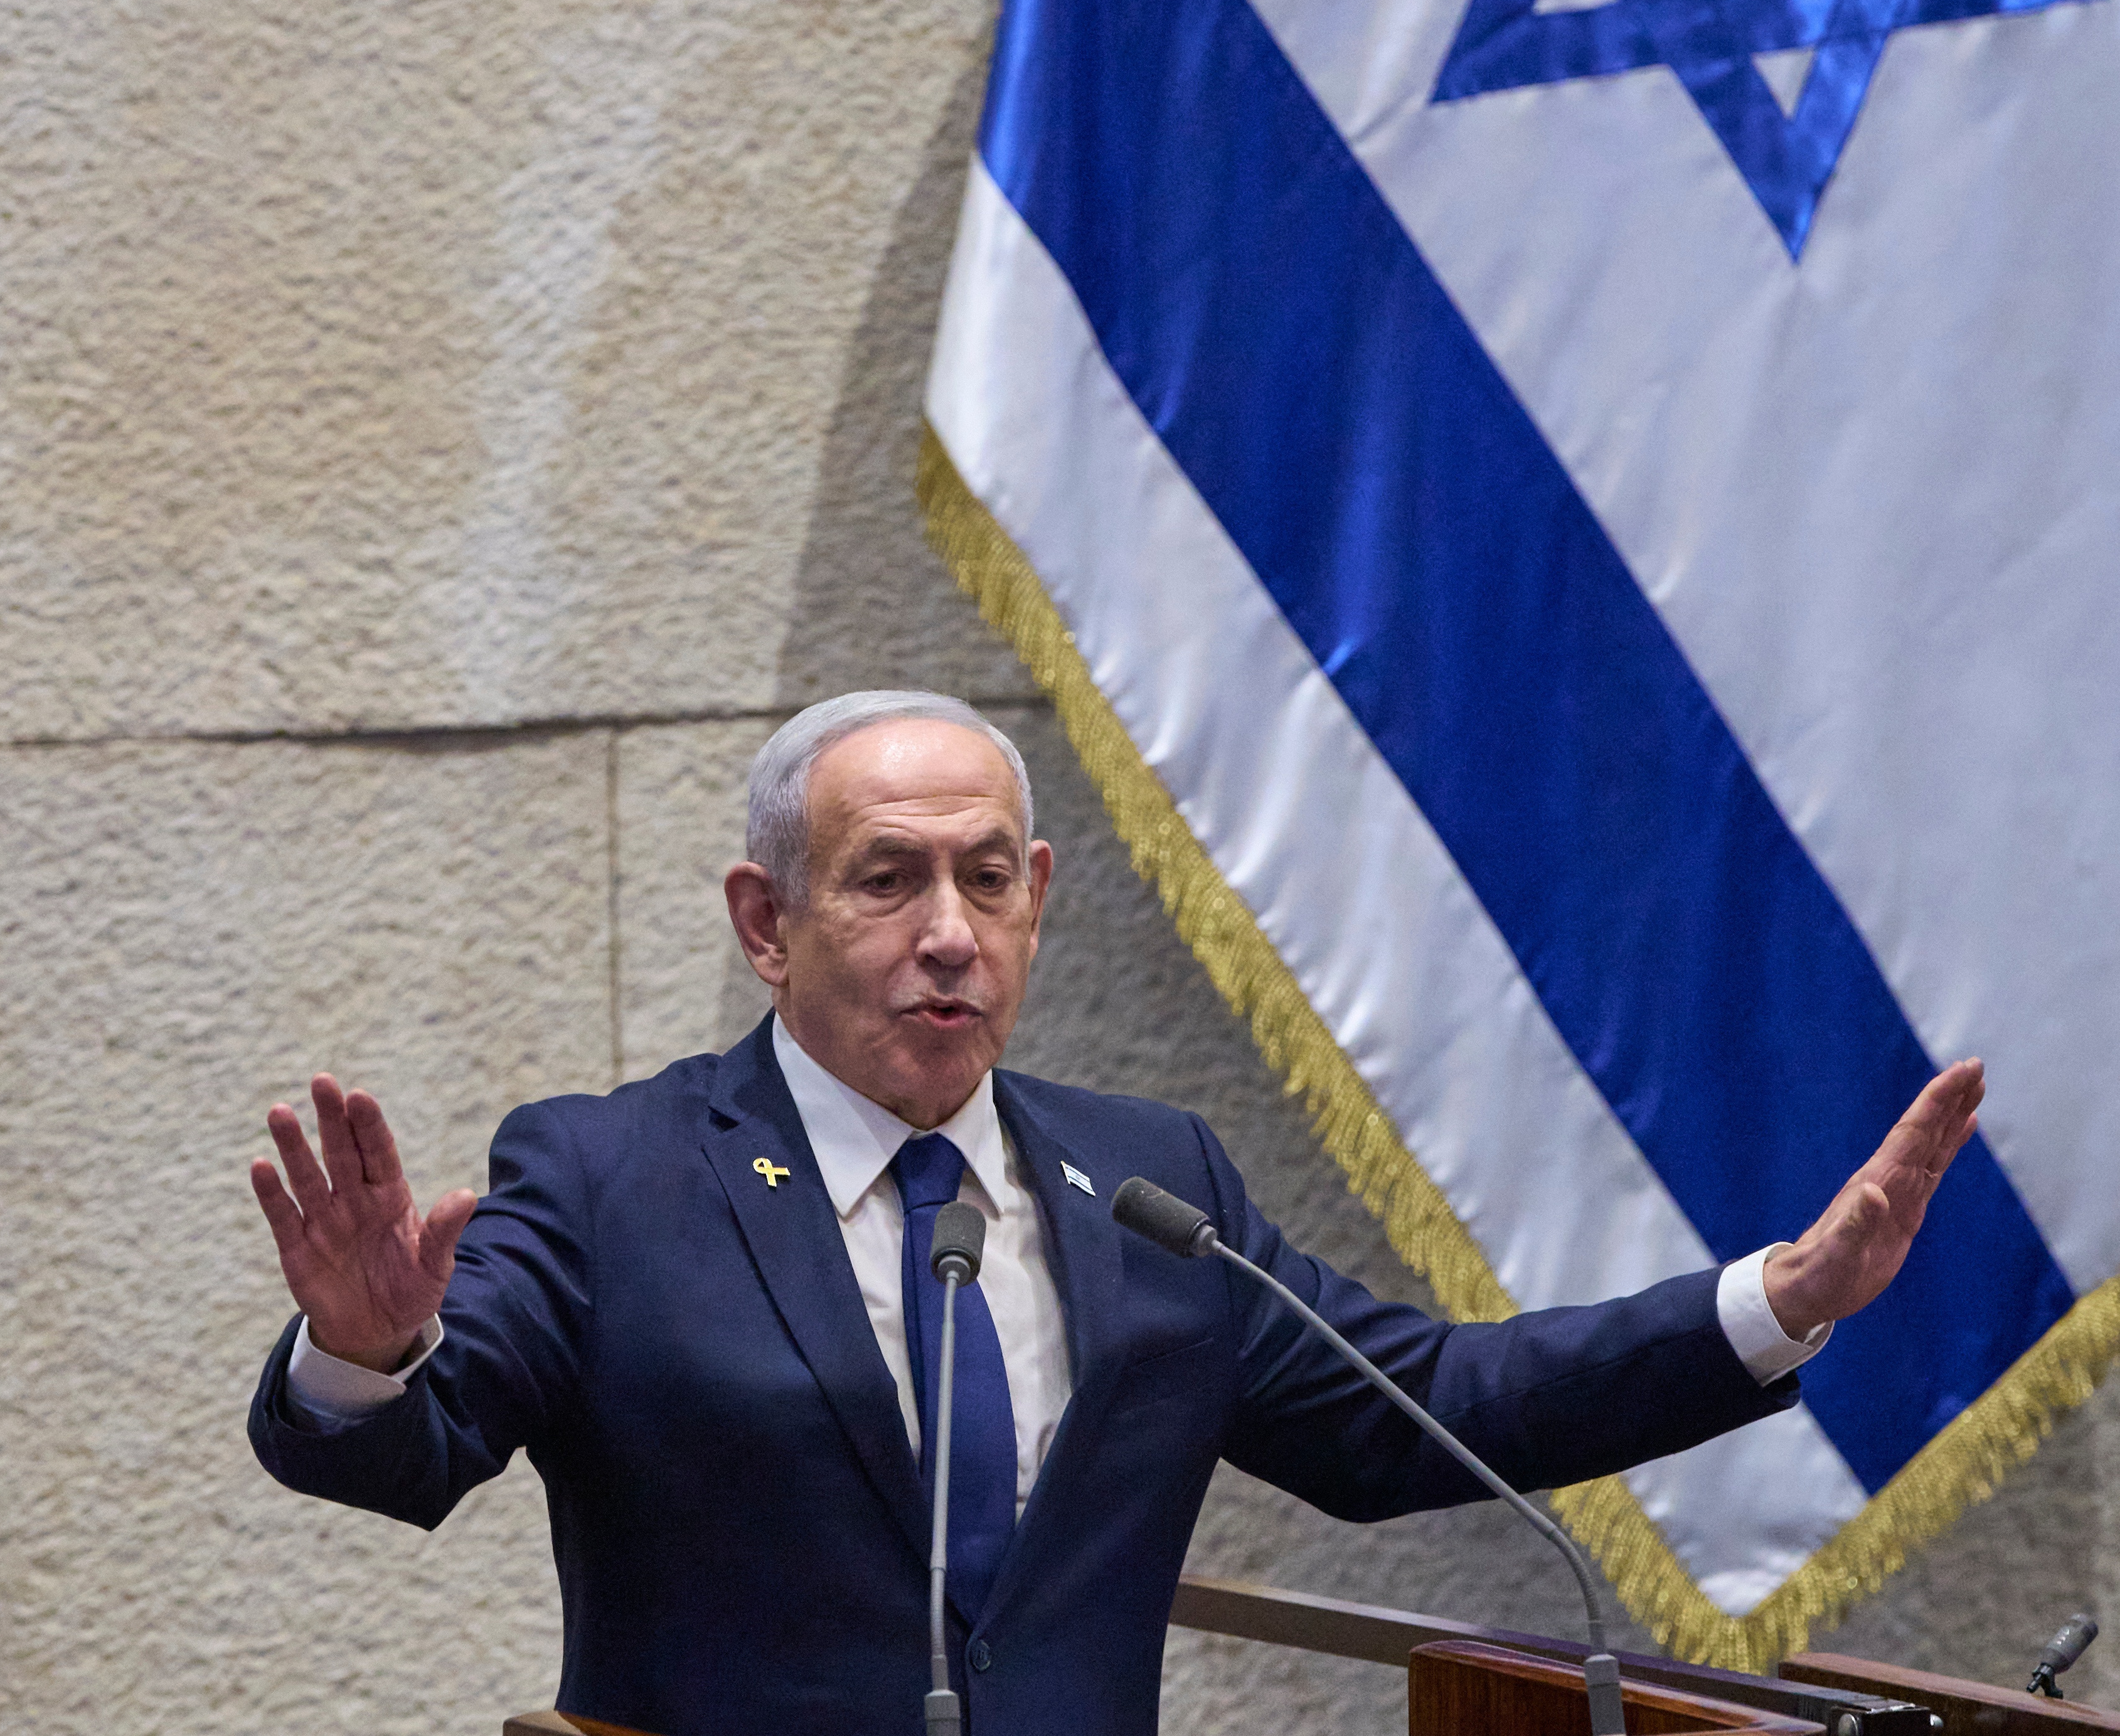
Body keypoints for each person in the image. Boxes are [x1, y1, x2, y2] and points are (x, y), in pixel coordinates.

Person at [247, 691, 1984, 1736]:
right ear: (765, 921)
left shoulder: (1152, 1190)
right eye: (888, 880)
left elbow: (1426, 1415)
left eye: (987, 879)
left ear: (1037, 898)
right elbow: (410, 1450)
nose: (951, 931)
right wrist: (366, 1344)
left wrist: (1782, 1298)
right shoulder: (612, 1175)